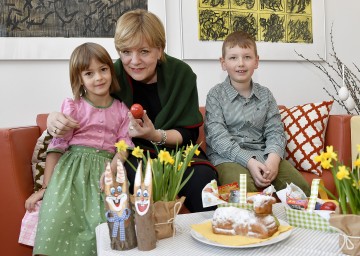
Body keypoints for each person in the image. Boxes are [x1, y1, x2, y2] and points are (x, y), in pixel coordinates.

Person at [46, 9, 219, 213]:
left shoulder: (182, 74)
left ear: (159, 49)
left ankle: (207, 237)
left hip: (177, 152)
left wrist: (154, 135)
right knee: (127, 176)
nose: (134, 61)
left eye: (144, 52)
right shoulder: (111, 73)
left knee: (203, 180)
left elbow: (188, 134)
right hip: (131, 153)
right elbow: (84, 107)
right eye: (126, 52)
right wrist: (52, 119)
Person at [28, 42, 133, 255]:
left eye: (103, 70)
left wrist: (111, 172)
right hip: (70, 175)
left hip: (105, 171)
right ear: (80, 79)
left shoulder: (122, 110)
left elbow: (123, 147)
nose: (98, 78)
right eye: (89, 73)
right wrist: (45, 189)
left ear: (111, 72)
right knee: (57, 215)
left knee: (102, 221)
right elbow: (57, 147)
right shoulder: (73, 107)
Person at [204, 31, 310, 196]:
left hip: (264, 155)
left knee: (301, 189)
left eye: (247, 57)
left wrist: (273, 160)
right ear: (223, 63)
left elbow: (275, 131)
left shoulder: (266, 95)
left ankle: (285, 221)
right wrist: (249, 161)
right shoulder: (215, 95)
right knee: (241, 190)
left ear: (256, 61)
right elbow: (218, 139)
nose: (241, 63)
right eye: (233, 58)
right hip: (227, 158)